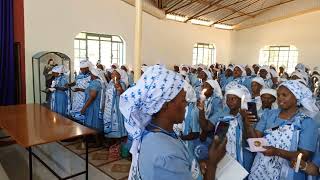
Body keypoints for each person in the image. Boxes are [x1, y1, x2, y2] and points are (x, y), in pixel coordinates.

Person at [119, 65, 227, 180]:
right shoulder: (166, 155)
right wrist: (212, 165)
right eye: (182, 100)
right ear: (165, 105)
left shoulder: (158, 132)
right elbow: (172, 162)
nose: (186, 104)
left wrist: (191, 168)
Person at [244, 80, 318, 180]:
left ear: (296, 97)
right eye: (278, 95)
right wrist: (248, 126)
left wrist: (277, 152)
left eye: (284, 95)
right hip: (261, 169)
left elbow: (303, 155)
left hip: (288, 173)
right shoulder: (269, 114)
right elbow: (256, 142)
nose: (280, 99)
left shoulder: (306, 122)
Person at [80, 68, 104, 147]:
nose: (89, 75)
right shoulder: (99, 82)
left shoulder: (94, 83)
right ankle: (92, 140)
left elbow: (92, 96)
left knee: (92, 123)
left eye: (90, 74)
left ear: (94, 75)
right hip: (95, 105)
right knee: (94, 123)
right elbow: (89, 91)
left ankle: (97, 142)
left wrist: (84, 107)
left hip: (92, 106)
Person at [103, 69, 127, 143]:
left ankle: (119, 138)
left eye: (115, 74)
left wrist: (119, 88)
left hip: (116, 105)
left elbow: (124, 94)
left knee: (116, 120)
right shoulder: (110, 83)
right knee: (108, 119)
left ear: (120, 76)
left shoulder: (122, 83)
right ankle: (111, 138)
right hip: (108, 106)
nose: (113, 76)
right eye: (112, 74)